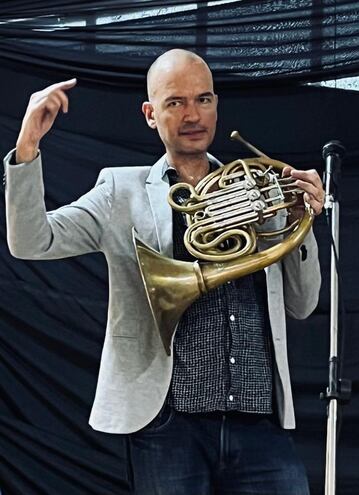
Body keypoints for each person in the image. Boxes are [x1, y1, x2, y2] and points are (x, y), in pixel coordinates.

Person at [4, 49, 323, 494]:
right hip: (168, 422)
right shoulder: (121, 190)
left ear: (216, 105)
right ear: (151, 114)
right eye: (175, 102)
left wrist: (303, 220)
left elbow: (304, 304)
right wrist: (27, 147)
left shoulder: (260, 186)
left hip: (260, 419)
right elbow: (31, 242)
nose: (193, 114)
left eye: (204, 99)